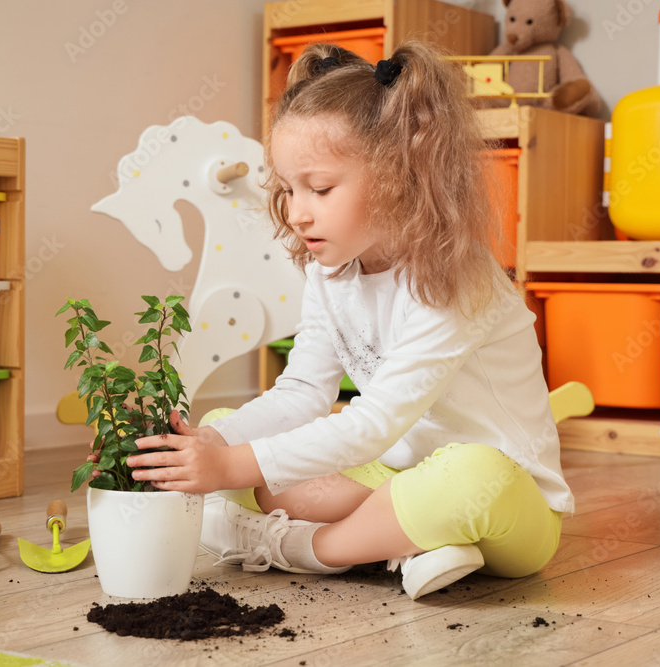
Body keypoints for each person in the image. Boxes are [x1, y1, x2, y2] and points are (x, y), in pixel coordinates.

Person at [126, 41, 572, 599]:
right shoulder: (331, 270)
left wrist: (227, 468)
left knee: (470, 476)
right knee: (221, 425)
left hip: (507, 502)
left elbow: (376, 422)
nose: (297, 211)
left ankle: (305, 549)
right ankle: (409, 541)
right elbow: (300, 395)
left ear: (400, 175)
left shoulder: (456, 277)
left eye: (320, 188)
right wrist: (213, 443)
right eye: (288, 189)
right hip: (393, 480)